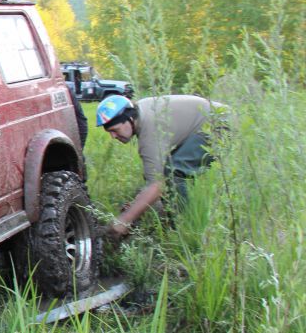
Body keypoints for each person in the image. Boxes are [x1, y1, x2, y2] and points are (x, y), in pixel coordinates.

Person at [96, 94, 228, 237]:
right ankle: (173, 215)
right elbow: (155, 174)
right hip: (212, 120)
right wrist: (136, 203)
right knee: (169, 169)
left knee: (174, 172)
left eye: (115, 130)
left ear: (129, 119)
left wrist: (124, 220)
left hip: (220, 124)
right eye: (109, 132)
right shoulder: (140, 112)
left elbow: (157, 184)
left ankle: (183, 228)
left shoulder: (150, 130)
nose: (113, 136)